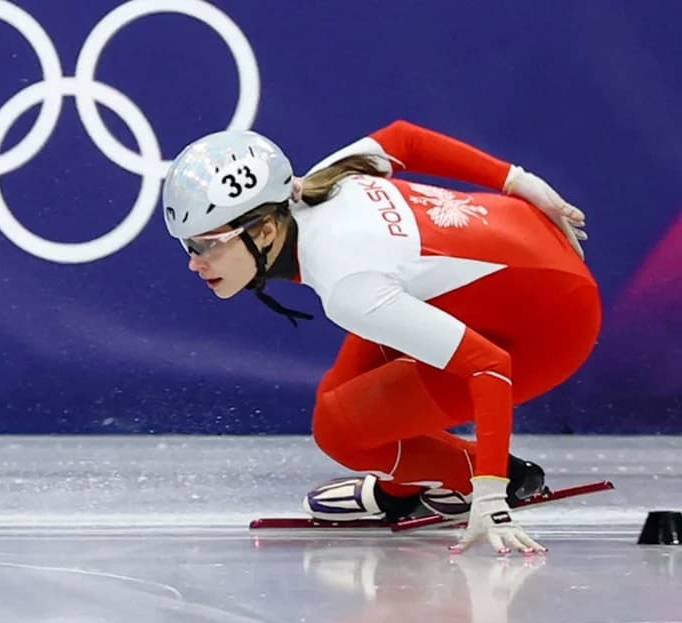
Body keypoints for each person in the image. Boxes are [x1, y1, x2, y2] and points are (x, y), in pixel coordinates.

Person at [161, 120, 598, 555]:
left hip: (553, 326)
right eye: (188, 246)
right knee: (337, 395)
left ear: (266, 231)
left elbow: (488, 365)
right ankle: (410, 485)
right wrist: (519, 181)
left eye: (205, 244)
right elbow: (404, 139)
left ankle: (486, 478)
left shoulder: (347, 284)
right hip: (521, 239)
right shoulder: (318, 180)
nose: (194, 263)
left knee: (341, 431)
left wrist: (490, 497)